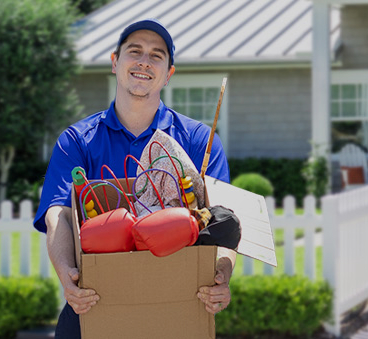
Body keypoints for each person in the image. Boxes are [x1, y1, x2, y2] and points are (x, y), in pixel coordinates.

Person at [34, 19, 232, 338]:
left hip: (178, 302)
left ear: (168, 73)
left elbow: (223, 219)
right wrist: (67, 274)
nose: (144, 61)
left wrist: (223, 272)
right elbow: (60, 213)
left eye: (157, 55)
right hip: (95, 300)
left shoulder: (197, 141)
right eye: (135, 51)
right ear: (115, 62)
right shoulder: (78, 141)